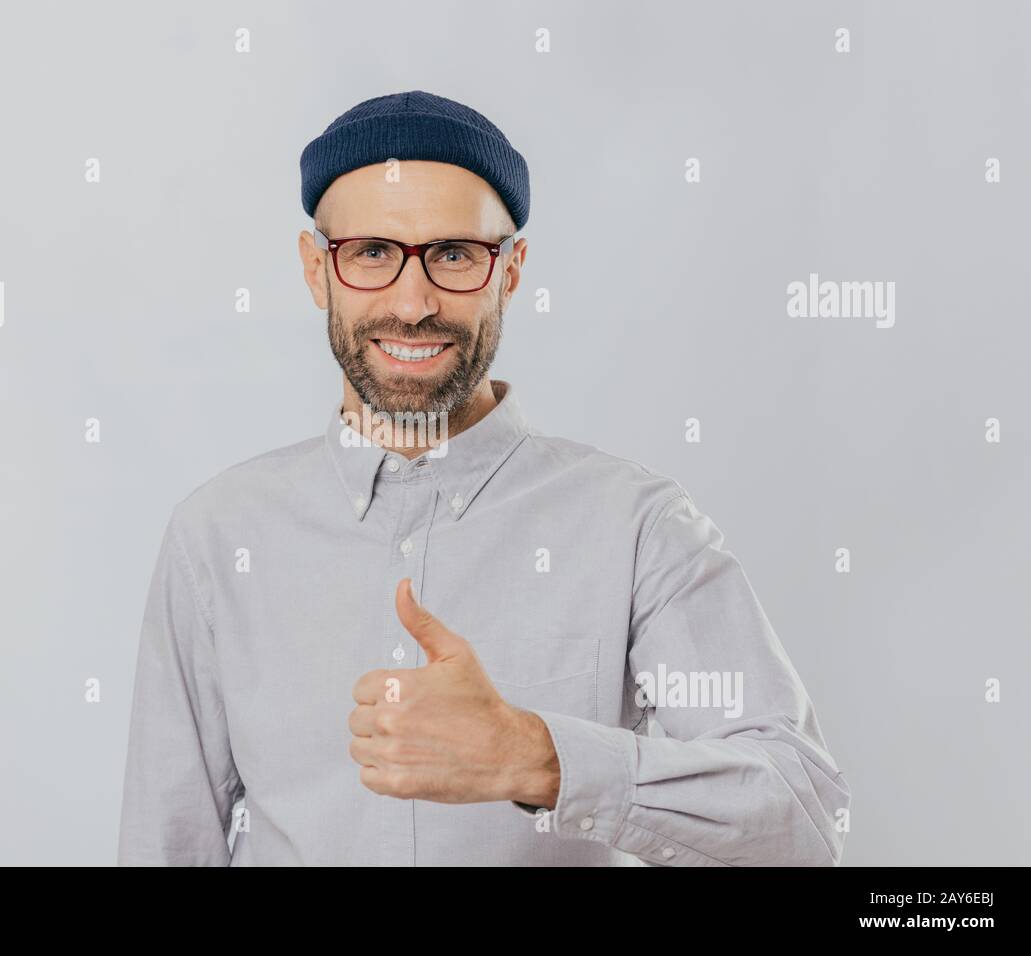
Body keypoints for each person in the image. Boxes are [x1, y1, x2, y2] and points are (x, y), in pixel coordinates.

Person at [117, 90, 850, 866]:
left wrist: (538, 756)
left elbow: (803, 821)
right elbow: (168, 847)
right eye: (371, 252)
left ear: (510, 272)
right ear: (314, 270)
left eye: (454, 255)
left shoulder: (637, 527)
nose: (412, 301)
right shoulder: (217, 536)